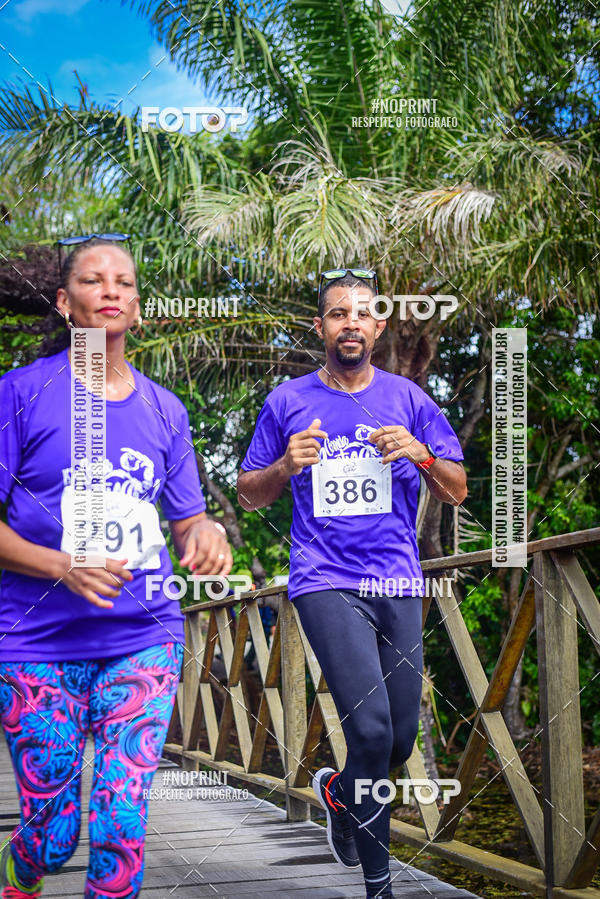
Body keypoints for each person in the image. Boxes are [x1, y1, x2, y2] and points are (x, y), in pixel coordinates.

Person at [0, 236, 232, 899]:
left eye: (124, 283)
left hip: (143, 633)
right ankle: (21, 865)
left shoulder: (165, 409)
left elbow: (188, 518)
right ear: (65, 303)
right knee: (52, 833)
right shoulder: (19, 394)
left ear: (136, 307)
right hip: (35, 642)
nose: (110, 290)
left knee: (122, 820)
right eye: (94, 280)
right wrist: (62, 565)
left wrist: (207, 531)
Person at [237, 268, 467, 899]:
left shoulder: (410, 399)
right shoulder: (288, 401)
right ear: (322, 327)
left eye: (361, 314)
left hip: (397, 581)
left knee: (395, 739)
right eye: (337, 314)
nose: (350, 324)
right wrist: (286, 464)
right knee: (365, 731)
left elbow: (456, 489)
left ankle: (341, 793)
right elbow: (249, 495)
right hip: (324, 578)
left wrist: (418, 452)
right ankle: (378, 886)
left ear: (378, 325)